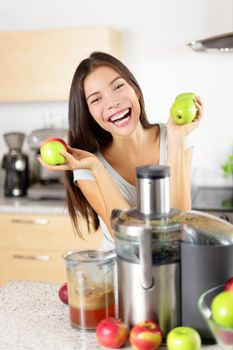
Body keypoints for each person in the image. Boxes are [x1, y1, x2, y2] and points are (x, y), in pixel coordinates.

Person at [39, 51, 204, 250]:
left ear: (136, 90)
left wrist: (176, 139)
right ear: (90, 115)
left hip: (170, 269)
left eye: (118, 87)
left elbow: (179, 223)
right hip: (117, 274)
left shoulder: (177, 137)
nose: (112, 102)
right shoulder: (86, 165)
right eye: (96, 99)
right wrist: (96, 168)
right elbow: (126, 237)